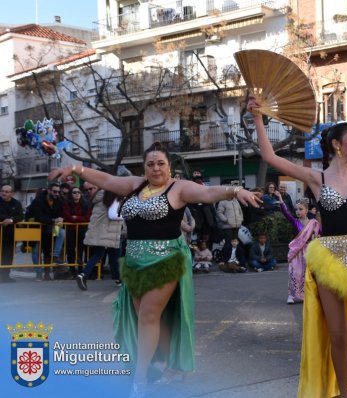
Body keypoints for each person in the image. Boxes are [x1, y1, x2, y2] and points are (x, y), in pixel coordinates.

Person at [48, 142, 259, 398]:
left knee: (148, 316)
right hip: (134, 263)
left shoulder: (179, 188)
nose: (156, 168)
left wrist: (235, 191)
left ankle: (140, 379)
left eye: (161, 163)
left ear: (169, 166)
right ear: (144, 167)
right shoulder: (136, 185)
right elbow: (106, 179)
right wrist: (74, 168)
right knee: (150, 319)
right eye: (150, 164)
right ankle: (173, 364)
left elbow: (208, 193)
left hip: (166, 261)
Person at [249, 96, 347, 398]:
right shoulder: (317, 177)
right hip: (328, 256)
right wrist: (258, 116)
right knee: (337, 334)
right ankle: (345, 394)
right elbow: (271, 157)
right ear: (337, 144)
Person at [276, 192, 321, 304]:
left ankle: (306, 294)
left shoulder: (313, 223)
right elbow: (286, 213)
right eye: (296, 209)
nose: (298, 211)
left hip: (309, 252)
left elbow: (320, 233)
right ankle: (291, 295)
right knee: (294, 273)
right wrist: (281, 200)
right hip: (296, 252)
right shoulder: (295, 222)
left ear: (306, 210)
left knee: (308, 274)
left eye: (300, 209)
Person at [77, 189, 124, 290]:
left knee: (99, 255)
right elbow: (113, 215)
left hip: (100, 231)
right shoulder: (114, 197)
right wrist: (126, 216)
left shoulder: (101, 197)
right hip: (109, 232)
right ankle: (118, 279)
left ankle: (83, 275)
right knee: (115, 256)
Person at [26, 183, 64, 281]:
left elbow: (60, 213)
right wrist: (53, 220)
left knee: (48, 252)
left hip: (48, 229)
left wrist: (60, 219)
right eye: (55, 191)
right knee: (36, 252)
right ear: (49, 190)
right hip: (35, 229)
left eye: (58, 192)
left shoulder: (58, 201)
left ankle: (48, 272)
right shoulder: (38, 201)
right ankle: (38, 274)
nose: (57, 194)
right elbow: (37, 216)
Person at [62, 186, 91, 277]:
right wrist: (78, 219)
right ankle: (72, 270)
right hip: (70, 229)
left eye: (78, 192)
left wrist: (76, 217)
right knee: (70, 250)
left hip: (82, 229)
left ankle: (81, 269)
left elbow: (87, 218)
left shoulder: (85, 204)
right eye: (74, 192)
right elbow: (67, 216)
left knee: (81, 250)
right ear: (71, 194)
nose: (77, 194)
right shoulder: (66, 204)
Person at [0, 185, 24, 282]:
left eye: (6, 191)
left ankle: (5, 276)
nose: (4, 193)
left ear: (11, 193)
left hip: (11, 234)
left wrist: (11, 219)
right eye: (2, 191)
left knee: (8, 255)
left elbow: (20, 215)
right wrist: (4, 219)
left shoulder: (16, 203)